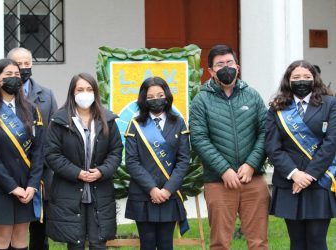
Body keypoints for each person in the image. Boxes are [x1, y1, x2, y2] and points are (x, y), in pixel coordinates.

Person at [189, 45, 269, 250]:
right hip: (218, 182)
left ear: (238, 66)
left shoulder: (252, 96)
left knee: (259, 243)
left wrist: (251, 164)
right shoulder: (201, 100)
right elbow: (199, 138)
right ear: (211, 71)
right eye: (220, 64)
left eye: (229, 63)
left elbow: (265, 132)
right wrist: (224, 169)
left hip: (254, 179)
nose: (226, 67)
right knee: (220, 243)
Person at [44, 73, 123, 250]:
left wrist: (102, 171)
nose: (85, 93)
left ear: (95, 92)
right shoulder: (59, 120)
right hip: (69, 192)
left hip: (100, 192)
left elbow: (116, 151)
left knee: (99, 243)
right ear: (72, 92)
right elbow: (52, 154)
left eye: (89, 89)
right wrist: (76, 172)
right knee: (75, 243)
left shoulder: (107, 120)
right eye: (80, 89)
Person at [265, 60, 336, 250]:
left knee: (316, 240)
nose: (301, 81)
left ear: (315, 79)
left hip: (319, 180)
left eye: (307, 77)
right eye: (296, 77)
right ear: (288, 80)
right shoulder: (277, 107)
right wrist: (294, 173)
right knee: (296, 242)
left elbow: (331, 143)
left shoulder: (330, 104)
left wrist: (310, 175)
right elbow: (273, 147)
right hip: (290, 182)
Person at [124, 76, 190, 250]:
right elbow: (131, 161)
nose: (156, 100)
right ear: (144, 100)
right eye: (150, 97)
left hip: (170, 194)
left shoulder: (178, 122)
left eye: (160, 95)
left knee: (166, 244)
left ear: (167, 96)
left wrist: (167, 190)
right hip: (143, 195)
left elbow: (183, 161)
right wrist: (152, 189)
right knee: (146, 244)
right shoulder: (135, 124)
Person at [0, 58, 44, 250]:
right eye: (8, 75)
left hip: (26, 185)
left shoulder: (32, 110)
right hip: (0, 185)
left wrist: (32, 185)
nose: (14, 78)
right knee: (1, 240)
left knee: (21, 239)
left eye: (17, 75)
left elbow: (39, 150)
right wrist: (12, 187)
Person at [7, 47, 58, 250]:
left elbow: (54, 133)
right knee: (11, 227)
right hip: (11, 171)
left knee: (39, 226)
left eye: (28, 63)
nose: (24, 67)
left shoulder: (46, 94)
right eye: (19, 64)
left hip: (41, 171)